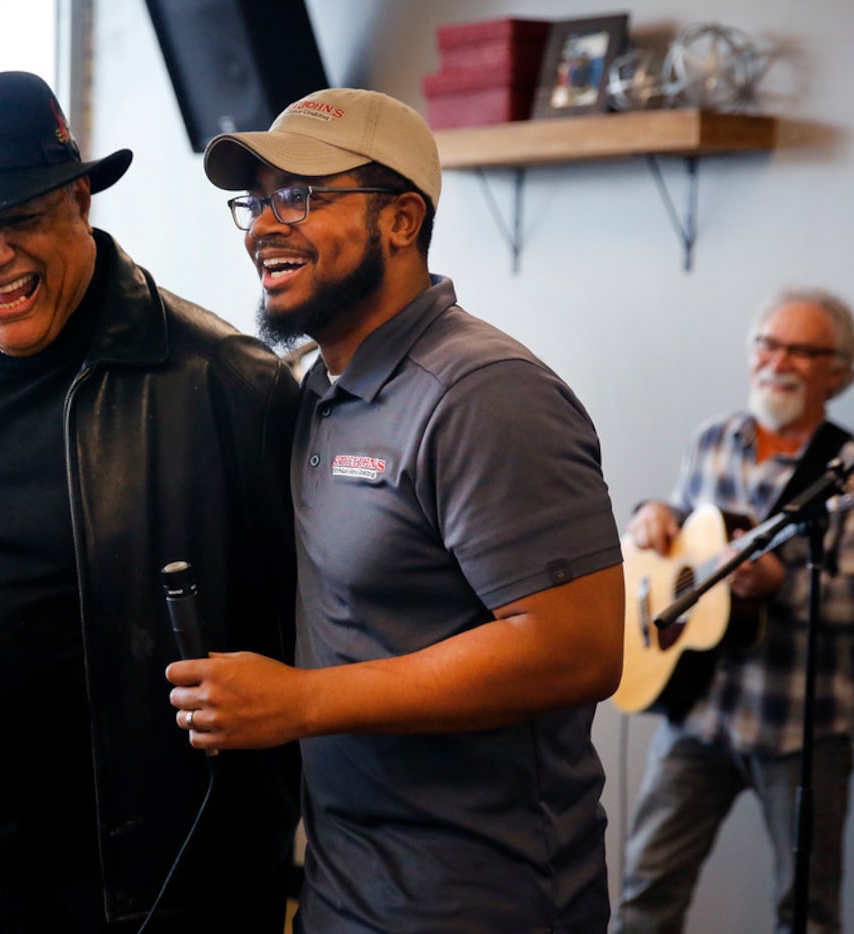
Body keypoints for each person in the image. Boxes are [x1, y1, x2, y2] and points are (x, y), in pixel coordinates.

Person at [171, 87, 626, 932]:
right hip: (347, 887)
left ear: (402, 220)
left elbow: (577, 649)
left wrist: (301, 701)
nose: (266, 225)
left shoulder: (485, 393)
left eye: (300, 196)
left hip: (484, 901)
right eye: (257, 200)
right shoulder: (319, 391)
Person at [0, 71, 300, 932]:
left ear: (80, 203)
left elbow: (300, 657)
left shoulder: (225, 384)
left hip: (144, 892)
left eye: (19, 219)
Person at [614, 288, 854, 933]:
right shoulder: (711, 438)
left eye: (803, 350)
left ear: (839, 370)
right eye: (769, 344)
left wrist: (784, 587)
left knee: (804, 912)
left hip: (801, 728)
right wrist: (650, 516)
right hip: (697, 709)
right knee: (644, 894)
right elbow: (691, 537)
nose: (780, 360)